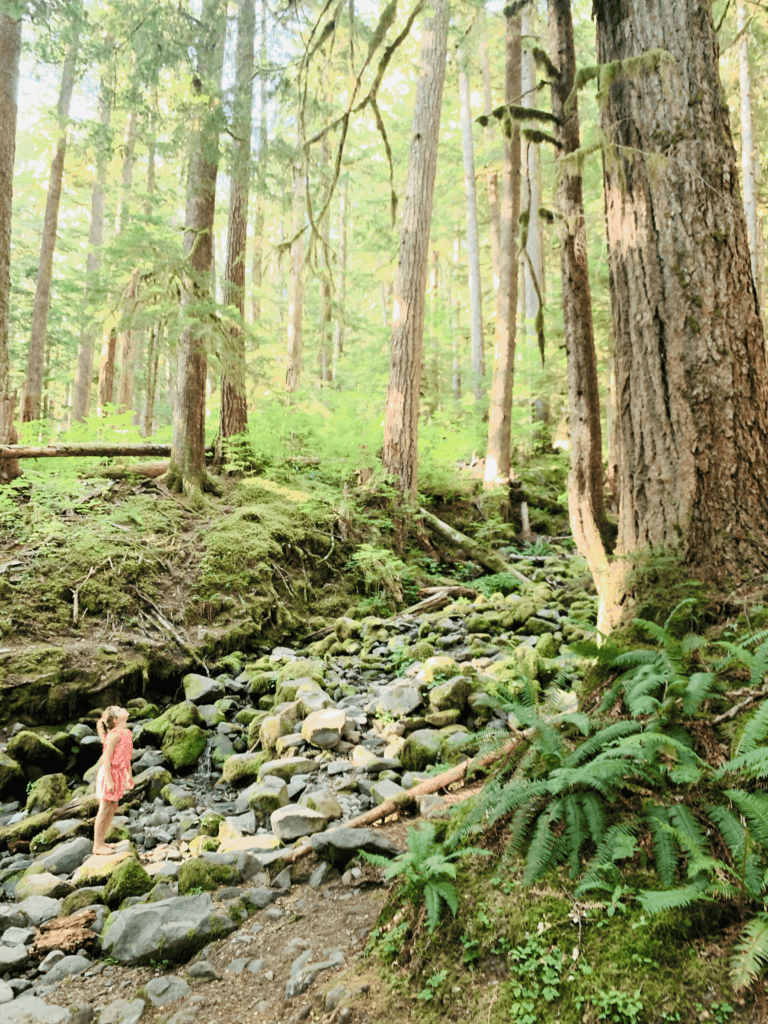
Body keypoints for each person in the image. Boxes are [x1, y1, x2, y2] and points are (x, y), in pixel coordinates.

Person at [92, 706, 134, 856]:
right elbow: (107, 759)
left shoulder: (127, 733)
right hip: (109, 774)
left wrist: (129, 776)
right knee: (104, 808)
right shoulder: (114, 735)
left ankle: (102, 841)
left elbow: (127, 757)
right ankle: (97, 845)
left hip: (119, 773)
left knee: (113, 806)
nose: (123, 708)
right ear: (116, 720)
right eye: (119, 709)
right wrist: (109, 781)